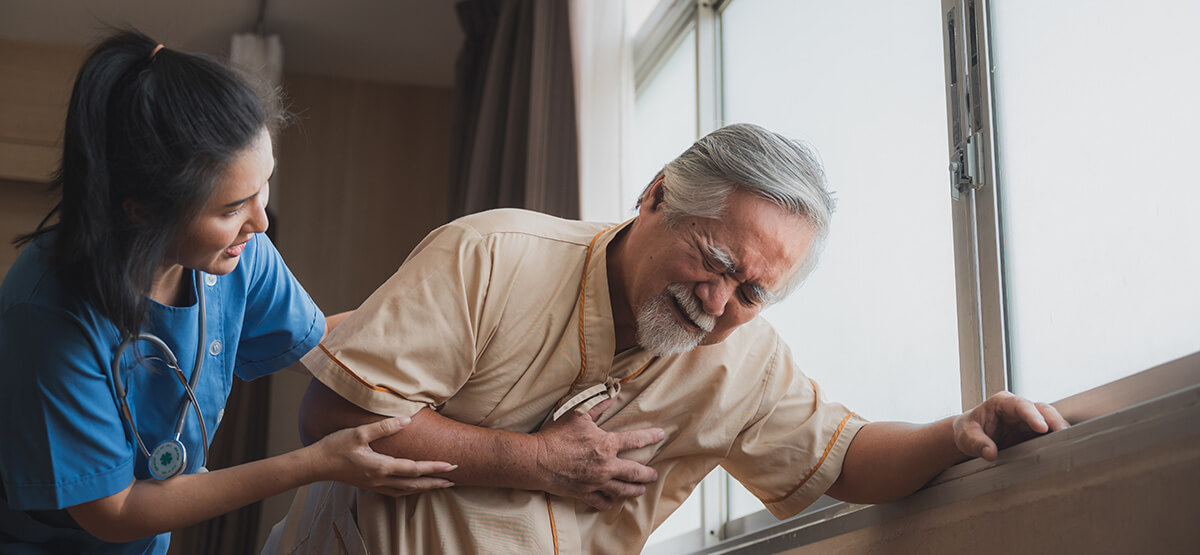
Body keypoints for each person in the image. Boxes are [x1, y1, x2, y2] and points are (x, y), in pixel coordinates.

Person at [264, 124, 1069, 554]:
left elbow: (844, 454)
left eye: (753, 291)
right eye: (713, 260)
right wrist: (534, 461)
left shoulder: (745, 360)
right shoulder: (491, 256)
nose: (718, 302)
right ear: (655, 196)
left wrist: (956, 434)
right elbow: (333, 419)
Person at [0, 31, 454, 554]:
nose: (260, 222)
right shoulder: (49, 311)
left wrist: (453, 337)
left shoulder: (239, 256)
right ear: (143, 211)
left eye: (263, 189)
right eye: (231, 208)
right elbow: (114, 511)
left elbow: (320, 340)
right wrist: (314, 464)